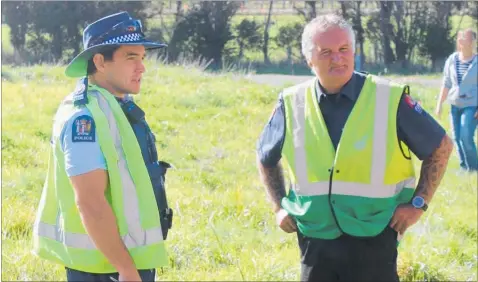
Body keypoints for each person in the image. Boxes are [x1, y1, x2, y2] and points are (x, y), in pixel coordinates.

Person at [256, 14, 453, 281]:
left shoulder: (389, 97)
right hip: (315, 237)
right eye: (325, 52)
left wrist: (419, 203)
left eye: (343, 49)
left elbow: (441, 146)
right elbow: (265, 157)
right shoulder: (291, 102)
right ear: (309, 59)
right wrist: (279, 207)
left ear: (354, 52)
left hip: (375, 235)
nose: (337, 58)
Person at [32, 11, 173, 282]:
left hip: (124, 259)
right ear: (99, 61)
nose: (141, 67)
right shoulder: (84, 119)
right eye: (131, 57)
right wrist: (127, 269)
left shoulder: (115, 108)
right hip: (105, 267)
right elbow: (90, 202)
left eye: (142, 58)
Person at [436, 28, 478, 172]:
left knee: (466, 135)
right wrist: (439, 104)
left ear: (472, 42)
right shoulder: (452, 60)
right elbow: (446, 83)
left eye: (465, 38)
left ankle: (473, 168)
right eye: (460, 38)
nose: (461, 40)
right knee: (457, 137)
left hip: (472, 105)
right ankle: (464, 167)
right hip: (454, 104)